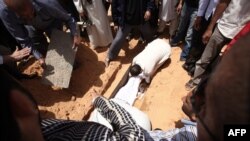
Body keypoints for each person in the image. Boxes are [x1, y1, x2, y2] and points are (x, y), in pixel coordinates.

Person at [185, 0, 250, 90]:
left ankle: (211, 88)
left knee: (224, 65)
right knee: (205, 58)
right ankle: (195, 80)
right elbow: (222, 3)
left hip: (240, 34)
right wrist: (210, 28)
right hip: (223, 27)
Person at [0, 0, 80, 68]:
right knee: (40, 48)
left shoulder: (46, 2)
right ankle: (54, 60)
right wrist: (39, 57)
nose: (31, 17)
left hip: (51, 21)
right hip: (30, 27)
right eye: (25, 17)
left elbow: (68, 18)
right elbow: (24, 40)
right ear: (15, 13)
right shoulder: (5, 13)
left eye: (32, 12)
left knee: (63, 47)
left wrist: (75, 33)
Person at [105, 0, 156, 67]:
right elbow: (114, 6)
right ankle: (110, 56)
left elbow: (150, 1)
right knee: (118, 39)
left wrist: (149, 10)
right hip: (126, 22)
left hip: (141, 20)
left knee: (148, 33)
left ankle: (153, 47)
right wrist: (116, 22)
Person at [182, 0, 219, 76]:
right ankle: (191, 64)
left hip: (219, 21)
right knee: (199, 41)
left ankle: (193, 65)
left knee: (206, 44)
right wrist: (199, 17)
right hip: (207, 16)